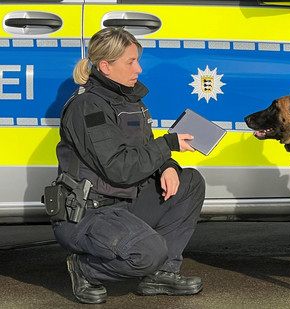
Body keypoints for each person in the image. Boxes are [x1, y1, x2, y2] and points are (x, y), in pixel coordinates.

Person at [52, 27, 205, 304]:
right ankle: (84, 268)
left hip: (124, 203)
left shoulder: (131, 101)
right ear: (105, 67)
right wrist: (167, 145)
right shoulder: (89, 107)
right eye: (131, 62)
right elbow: (118, 168)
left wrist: (167, 165)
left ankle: (161, 274)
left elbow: (144, 149)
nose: (139, 69)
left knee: (190, 182)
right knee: (148, 253)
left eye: (137, 60)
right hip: (90, 213)